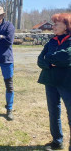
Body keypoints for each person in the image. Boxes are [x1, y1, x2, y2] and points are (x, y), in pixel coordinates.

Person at [37, 13, 71, 151]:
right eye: (53, 24)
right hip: (50, 81)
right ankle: (57, 141)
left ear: (67, 26)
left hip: (66, 82)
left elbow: (66, 57)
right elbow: (40, 59)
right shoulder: (51, 41)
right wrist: (50, 63)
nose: (53, 27)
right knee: (53, 112)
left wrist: (49, 58)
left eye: (56, 24)